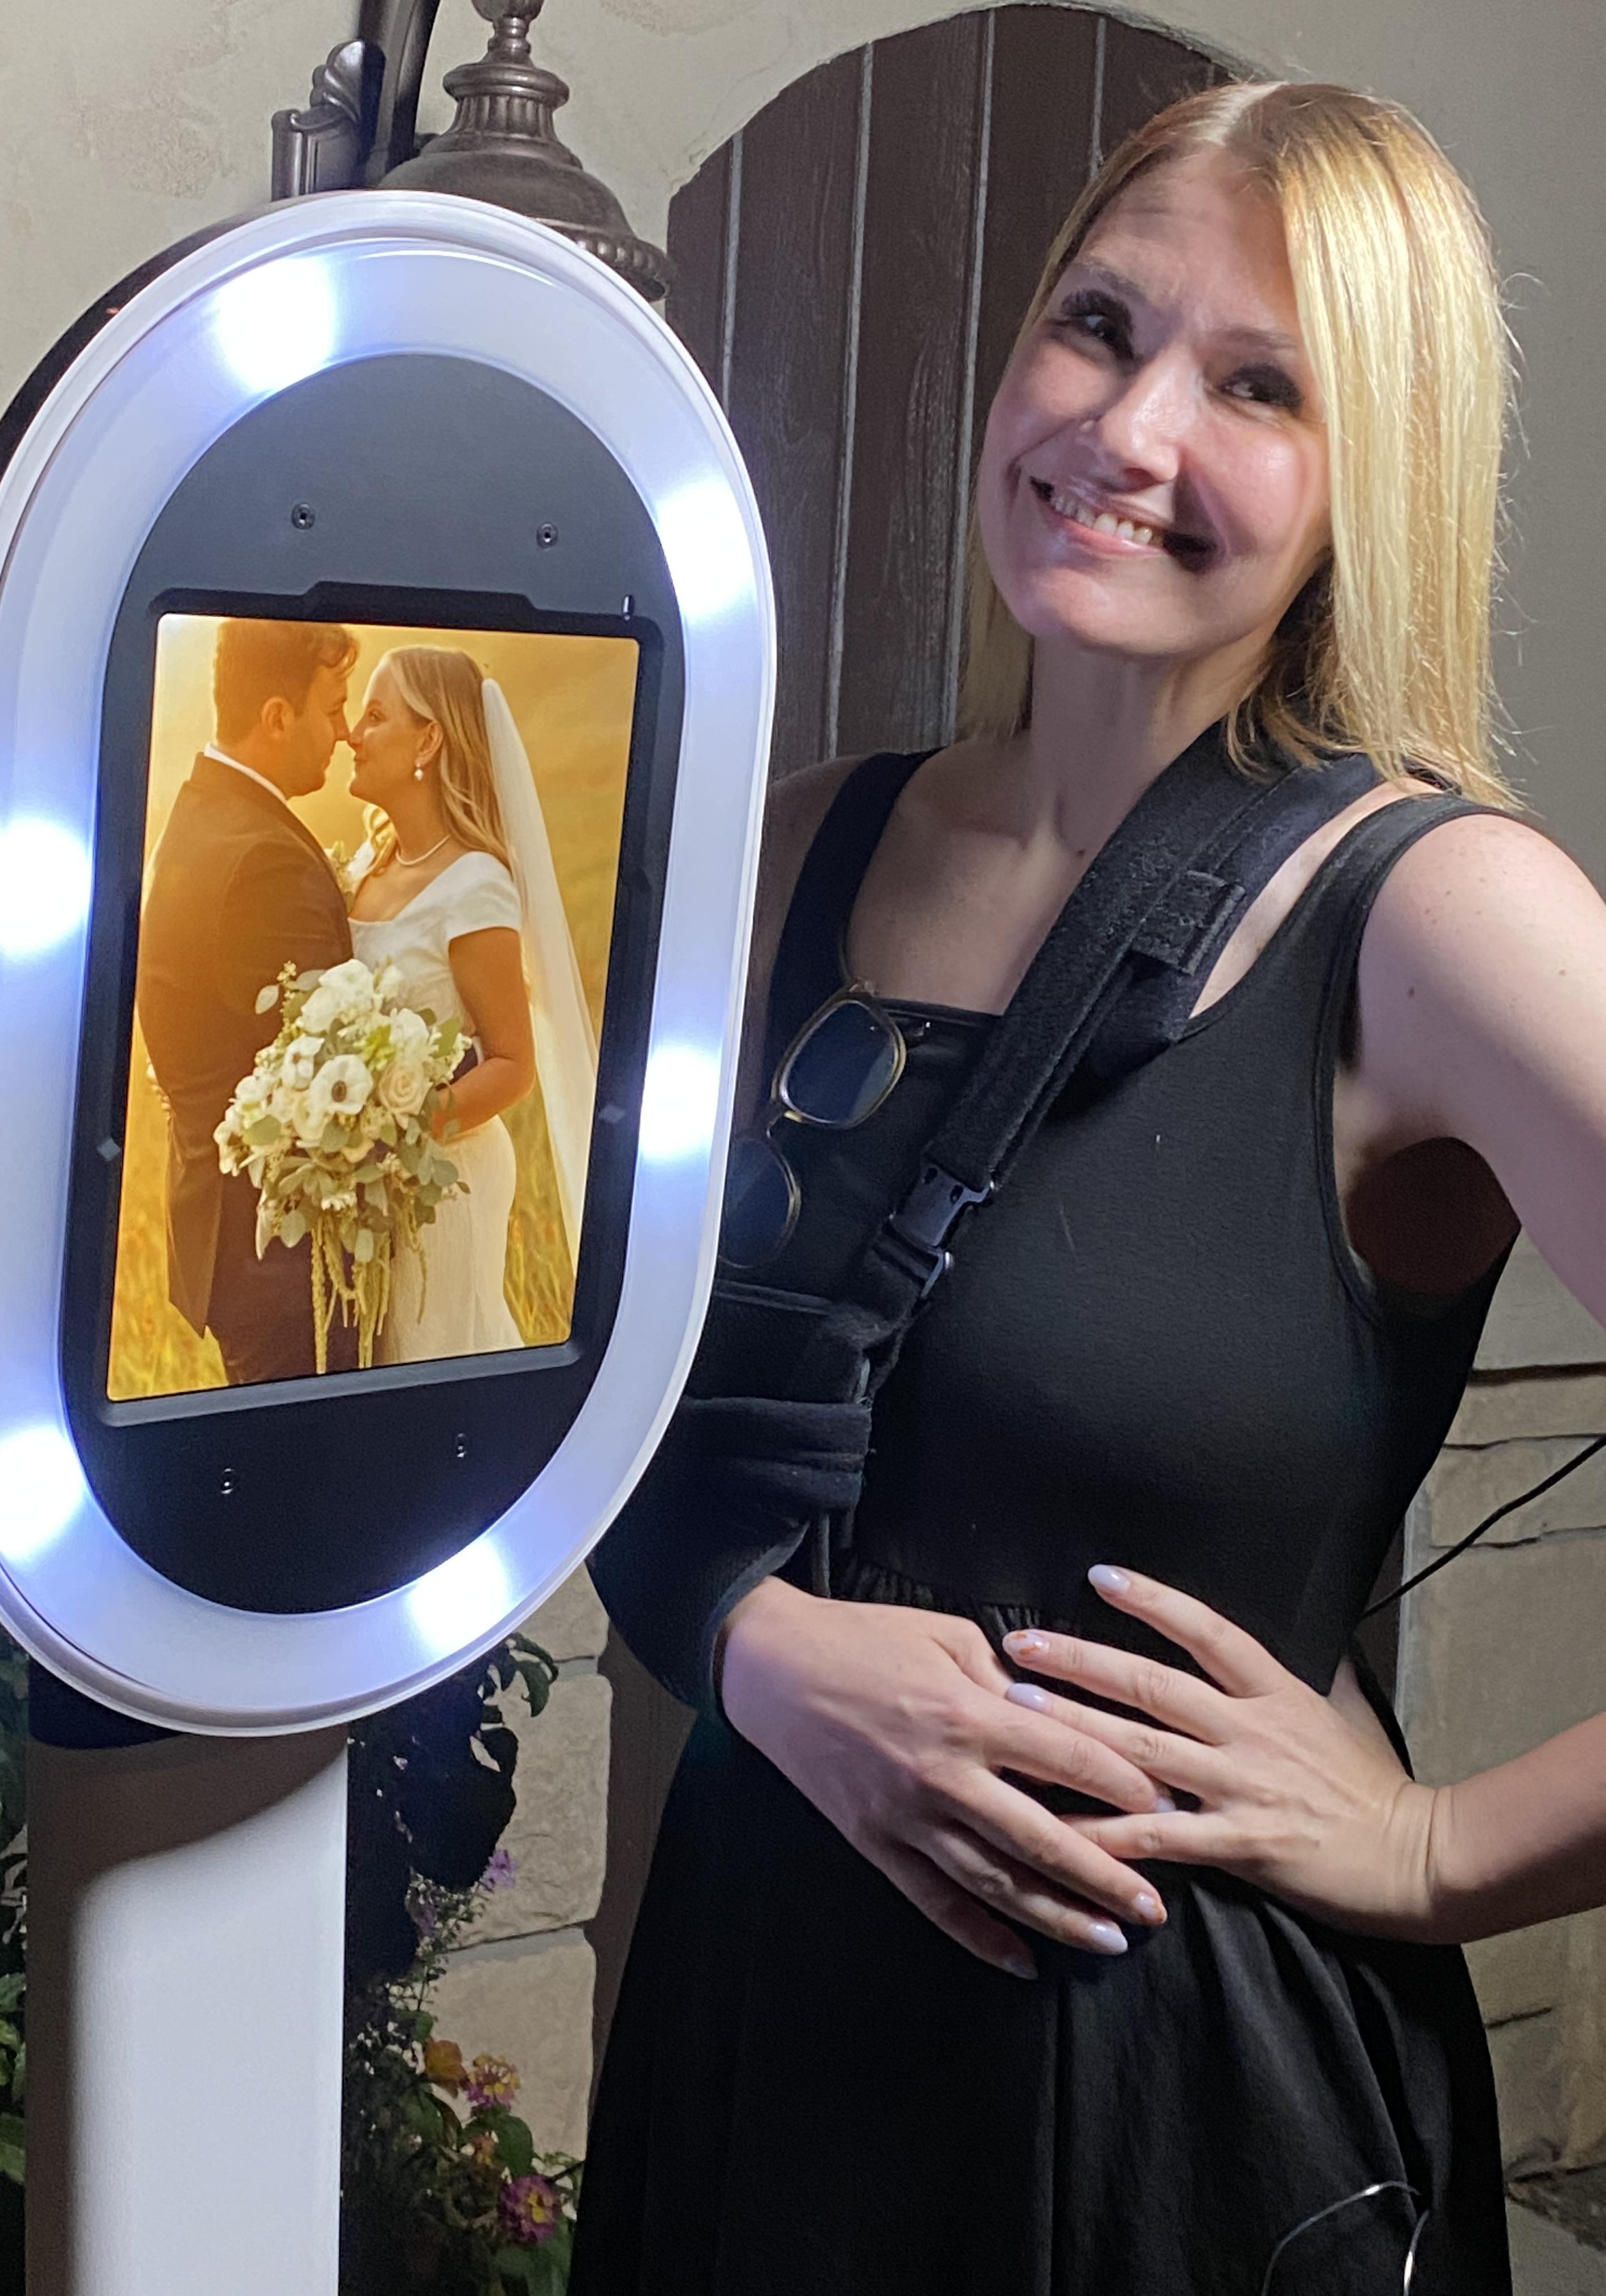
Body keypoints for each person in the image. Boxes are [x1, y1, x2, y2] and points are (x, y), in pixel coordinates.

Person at [574, 81, 1606, 2294]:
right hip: (764, 2058)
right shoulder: (801, 846)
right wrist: (757, 1647)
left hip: (1180, 2131)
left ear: (1372, 472)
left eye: (1257, 387)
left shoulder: (1443, 921)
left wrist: (1438, 1848)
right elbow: (588, 1407)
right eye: (1100, 326)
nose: (1126, 430)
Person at [346, 646, 597, 1362]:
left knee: (432, 1358)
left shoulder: (474, 885)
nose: (353, 736)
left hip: (446, 1184)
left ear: (428, 740)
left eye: (376, 716)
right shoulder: (367, 867)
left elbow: (513, 1065)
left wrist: (393, 1142)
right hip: (367, 1188)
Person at [136, 617, 360, 1385]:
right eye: (333, 709)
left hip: (234, 1242)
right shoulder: (265, 861)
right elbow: (328, 1075)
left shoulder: (201, 813)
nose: (344, 732)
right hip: (282, 1259)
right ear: (277, 716)